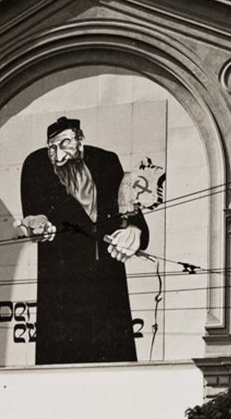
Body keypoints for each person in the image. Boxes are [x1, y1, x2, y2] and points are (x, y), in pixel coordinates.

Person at [18, 116, 149, 365]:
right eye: (52, 147)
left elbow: (130, 209)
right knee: (62, 362)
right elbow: (32, 213)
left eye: (64, 144)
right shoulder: (36, 164)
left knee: (113, 362)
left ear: (79, 141)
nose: (57, 154)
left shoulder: (107, 161)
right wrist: (36, 225)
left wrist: (134, 229)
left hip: (106, 279)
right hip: (62, 283)